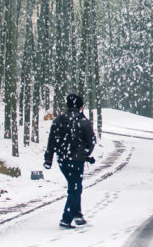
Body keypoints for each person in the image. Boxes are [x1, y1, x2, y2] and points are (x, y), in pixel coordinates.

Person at [44, 94, 96, 229]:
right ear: (80, 106)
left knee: (74, 185)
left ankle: (77, 214)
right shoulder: (83, 122)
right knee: (75, 188)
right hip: (77, 160)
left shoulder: (58, 121)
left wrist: (49, 158)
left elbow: (51, 141)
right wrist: (86, 154)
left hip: (62, 160)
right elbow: (91, 141)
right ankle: (66, 218)